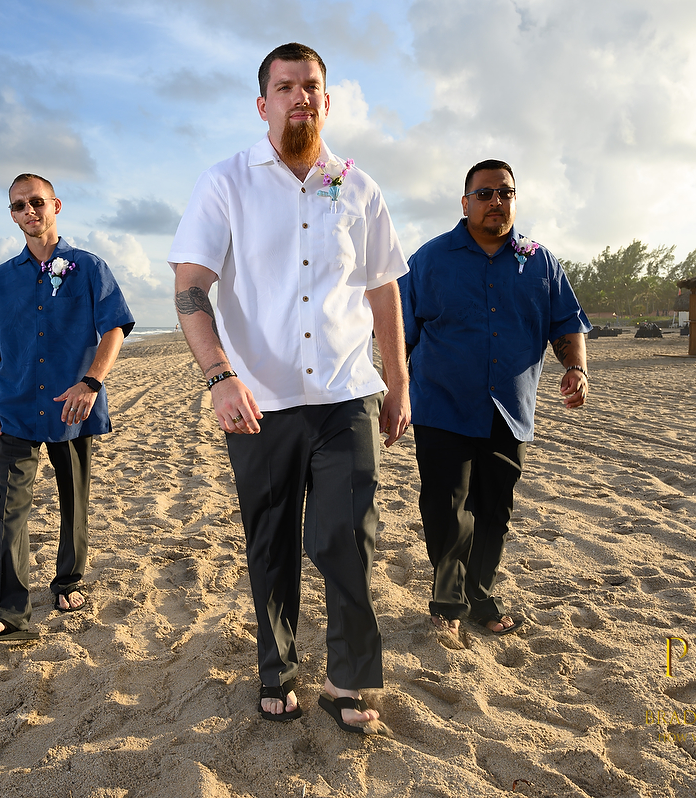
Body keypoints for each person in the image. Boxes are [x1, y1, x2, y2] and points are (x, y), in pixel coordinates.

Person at [168, 43, 410, 734]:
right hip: (259, 402)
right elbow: (190, 287)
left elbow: (383, 289)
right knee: (270, 539)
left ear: (327, 102)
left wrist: (399, 381)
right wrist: (220, 377)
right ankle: (276, 667)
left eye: (311, 86)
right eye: (285, 87)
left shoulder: (359, 188)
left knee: (348, 536)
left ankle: (347, 678)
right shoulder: (225, 182)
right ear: (263, 103)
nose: (300, 96)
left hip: (346, 393)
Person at [400, 159, 590, 638]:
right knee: (446, 509)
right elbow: (399, 331)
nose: (495, 201)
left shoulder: (540, 262)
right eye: (484, 193)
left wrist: (576, 368)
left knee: (494, 511)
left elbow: (566, 321)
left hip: (509, 406)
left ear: (514, 200)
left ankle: (479, 595)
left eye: (505, 192)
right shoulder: (429, 259)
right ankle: (448, 603)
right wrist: (395, 391)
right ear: (465, 203)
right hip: (442, 404)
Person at [0, 173, 135, 641]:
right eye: (19, 206)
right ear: (12, 215)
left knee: (73, 500)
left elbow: (114, 328)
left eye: (36, 202)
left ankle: (68, 581)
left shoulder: (89, 267)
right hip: (15, 408)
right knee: (11, 510)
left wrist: (91, 382)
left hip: (72, 408)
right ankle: (10, 612)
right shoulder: (0, 279)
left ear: (55, 205)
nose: (29, 211)